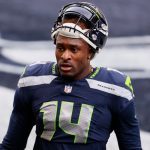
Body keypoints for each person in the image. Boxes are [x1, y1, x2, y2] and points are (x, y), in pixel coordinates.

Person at [0, 2, 142, 150]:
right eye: (60, 47)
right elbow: (12, 145)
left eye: (74, 49)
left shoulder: (116, 89)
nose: (65, 56)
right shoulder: (32, 80)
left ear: (90, 52)